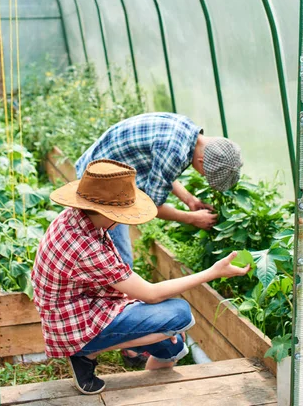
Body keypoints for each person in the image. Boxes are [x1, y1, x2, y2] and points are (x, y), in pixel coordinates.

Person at [32, 159, 250, 395]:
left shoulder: (76, 218)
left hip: (81, 305)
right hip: (73, 325)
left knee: (169, 344)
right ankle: (86, 351)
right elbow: (151, 294)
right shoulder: (86, 246)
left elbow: (119, 284)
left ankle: (154, 392)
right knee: (179, 314)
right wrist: (213, 272)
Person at [76, 112, 243, 268]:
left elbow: (162, 171)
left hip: (105, 165)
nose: (204, 177)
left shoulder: (187, 131)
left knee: (106, 252)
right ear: (201, 161)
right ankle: (115, 298)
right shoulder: (175, 152)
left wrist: (190, 200)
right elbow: (150, 207)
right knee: (120, 261)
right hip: (100, 183)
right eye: (207, 174)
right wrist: (192, 218)